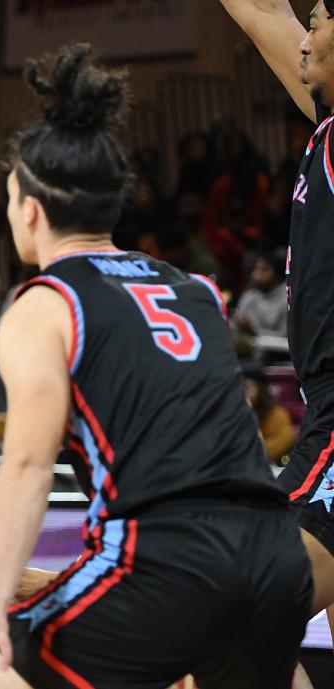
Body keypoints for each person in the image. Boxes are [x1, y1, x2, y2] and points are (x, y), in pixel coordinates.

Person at [0, 44, 311, 689]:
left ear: (30, 209)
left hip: (167, 564)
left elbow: (28, 464)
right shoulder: (196, 289)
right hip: (273, 556)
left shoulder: (45, 303)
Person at [222, 0, 334, 644]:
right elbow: (263, 10)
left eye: (315, 23)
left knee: (241, 619)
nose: (303, 36)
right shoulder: (326, 123)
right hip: (322, 411)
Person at [244, 367, 297, 465]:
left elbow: (279, 445)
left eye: (247, 387)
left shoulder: (277, 415)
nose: (242, 392)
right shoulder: (231, 414)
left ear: (260, 388)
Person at [235, 251, 288, 339]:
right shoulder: (249, 296)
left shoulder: (287, 300)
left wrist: (254, 331)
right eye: (256, 269)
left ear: (277, 273)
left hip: (277, 352)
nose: (257, 275)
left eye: (264, 270)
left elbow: (284, 338)